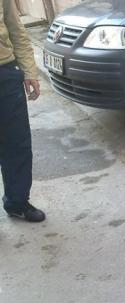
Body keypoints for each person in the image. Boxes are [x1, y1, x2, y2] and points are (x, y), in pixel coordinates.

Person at [0, 0, 45, 222]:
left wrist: (30, 71)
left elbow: (15, 28)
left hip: (5, 75)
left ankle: (16, 202)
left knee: (17, 144)